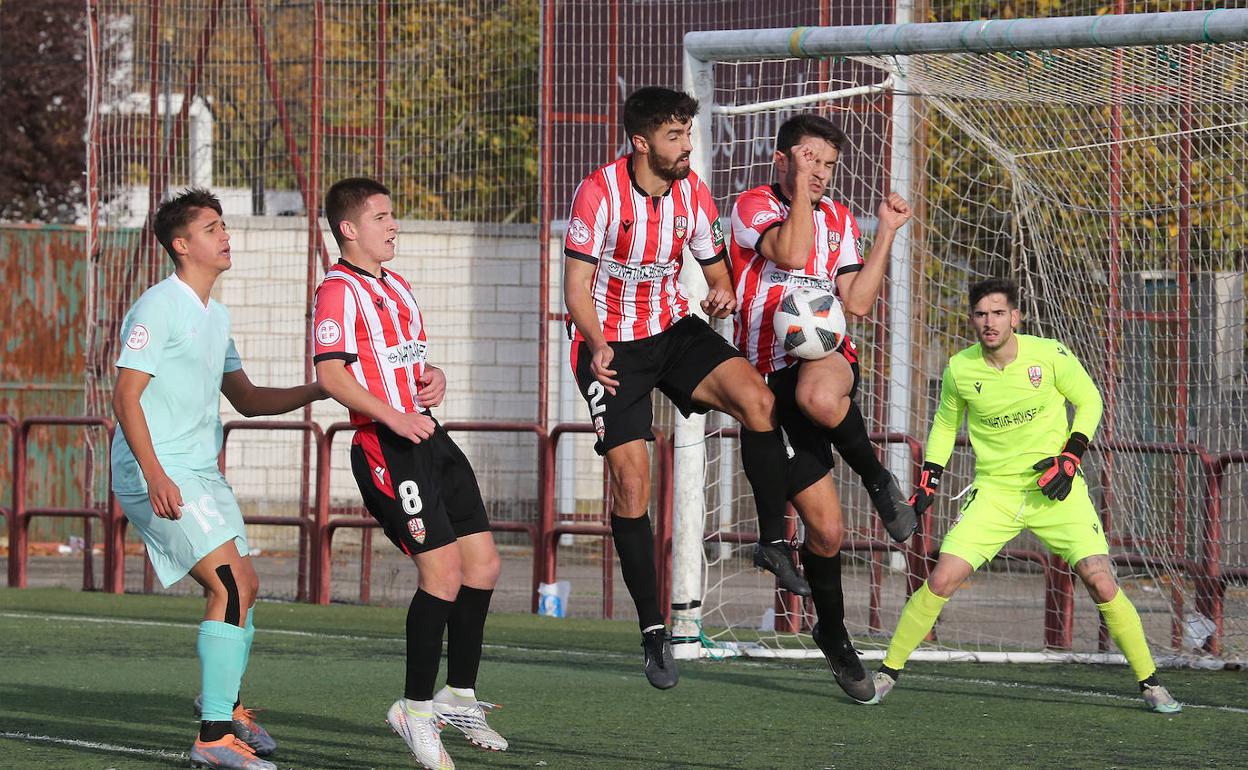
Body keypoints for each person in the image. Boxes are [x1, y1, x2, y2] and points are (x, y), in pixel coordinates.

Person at [564, 86, 805, 691]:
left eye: (688, 135)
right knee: (632, 481)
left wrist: (721, 294)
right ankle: (653, 634)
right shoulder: (599, 193)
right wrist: (595, 343)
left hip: (673, 329)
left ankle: (772, 541)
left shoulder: (692, 192)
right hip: (610, 346)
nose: (686, 147)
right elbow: (575, 288)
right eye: (674, 137)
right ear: (642, 143)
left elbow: (717, 273)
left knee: (759, 399)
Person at [866, 277, 1180, 713]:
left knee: (1101, 579)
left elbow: (1089, 401)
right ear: (972, 320)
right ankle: (885, 675)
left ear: (1015, 317)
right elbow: (943, 425)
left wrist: (1070, 458)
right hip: (994, 494)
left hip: (1056, 490)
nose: (989, 322)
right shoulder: (961, 368)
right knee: (940, 579)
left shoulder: (1048, 355)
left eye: (998, 313)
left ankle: (1151, 684)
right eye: (980, 314)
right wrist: (929, 479)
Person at [111, 188, 326, 770]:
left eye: (223, 225)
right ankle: (211, 738)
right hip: (155, 469)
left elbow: (249, 399)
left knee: (245, 587)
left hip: (199, 471)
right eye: (211, 227)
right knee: (233, 585)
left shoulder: (217, 314)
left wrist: (323, 387)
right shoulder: (158, 306)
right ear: (182, 245)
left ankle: (225, 711)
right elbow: (125, 396)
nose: (224, 235)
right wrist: (154, 473)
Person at [312, 177, 506, 770]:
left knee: (484, 565)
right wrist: (393, 413)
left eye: (392, 215)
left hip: (428, 434)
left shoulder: (397, 286)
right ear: (350, 228)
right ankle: (415, 711)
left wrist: (434, 380)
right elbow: (332, 375)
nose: (393, 225)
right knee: (441, 573)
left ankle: (459, 696)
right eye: (382, 217)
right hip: (386, 447)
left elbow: (412, 366)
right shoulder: (336, 292)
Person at [728, 113, 915, 703]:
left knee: (818, 392)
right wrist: (801, 192)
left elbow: (856, 301)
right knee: (828, 534)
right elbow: (790, 250)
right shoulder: (753, 204)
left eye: (829, 165)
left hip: (824, 362)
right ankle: (834, 640)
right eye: (810, 161)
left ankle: (880, 480)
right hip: (765, 382)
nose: (821, 174)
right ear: (781, 159)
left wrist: (885, 230)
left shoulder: (837, 217)